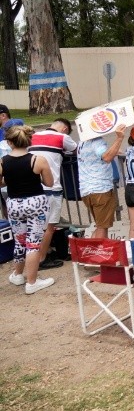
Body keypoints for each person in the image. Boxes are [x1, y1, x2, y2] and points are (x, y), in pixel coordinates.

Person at [1, 125, 55, 294]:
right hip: (35, 202)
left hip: (14, 203)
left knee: (20, 240)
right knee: (33, 243)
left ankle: (18, 274)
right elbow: (49, 183)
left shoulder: (3, 161)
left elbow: (1, 183)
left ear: (10, 142)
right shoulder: (38, 160)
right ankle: (32, 282)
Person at [29, 118, 77, 269]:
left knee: (35, 226)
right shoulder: (62, 137)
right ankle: (42, 259)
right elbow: (76, 149)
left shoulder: (34, 136)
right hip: (52, 187)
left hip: (33, 188)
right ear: (64, 129)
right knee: (50, 227)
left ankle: (40, 254)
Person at [77, 125, 126, 238]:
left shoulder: (82, 141)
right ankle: (97, 254)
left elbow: (102, 154)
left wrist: (113, 151)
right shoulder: (97, 141)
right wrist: (119, 138)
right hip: (100, 189)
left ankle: (93, 253)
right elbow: (107, 157)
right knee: (102, 229)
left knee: (100, 226)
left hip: (87, 189)